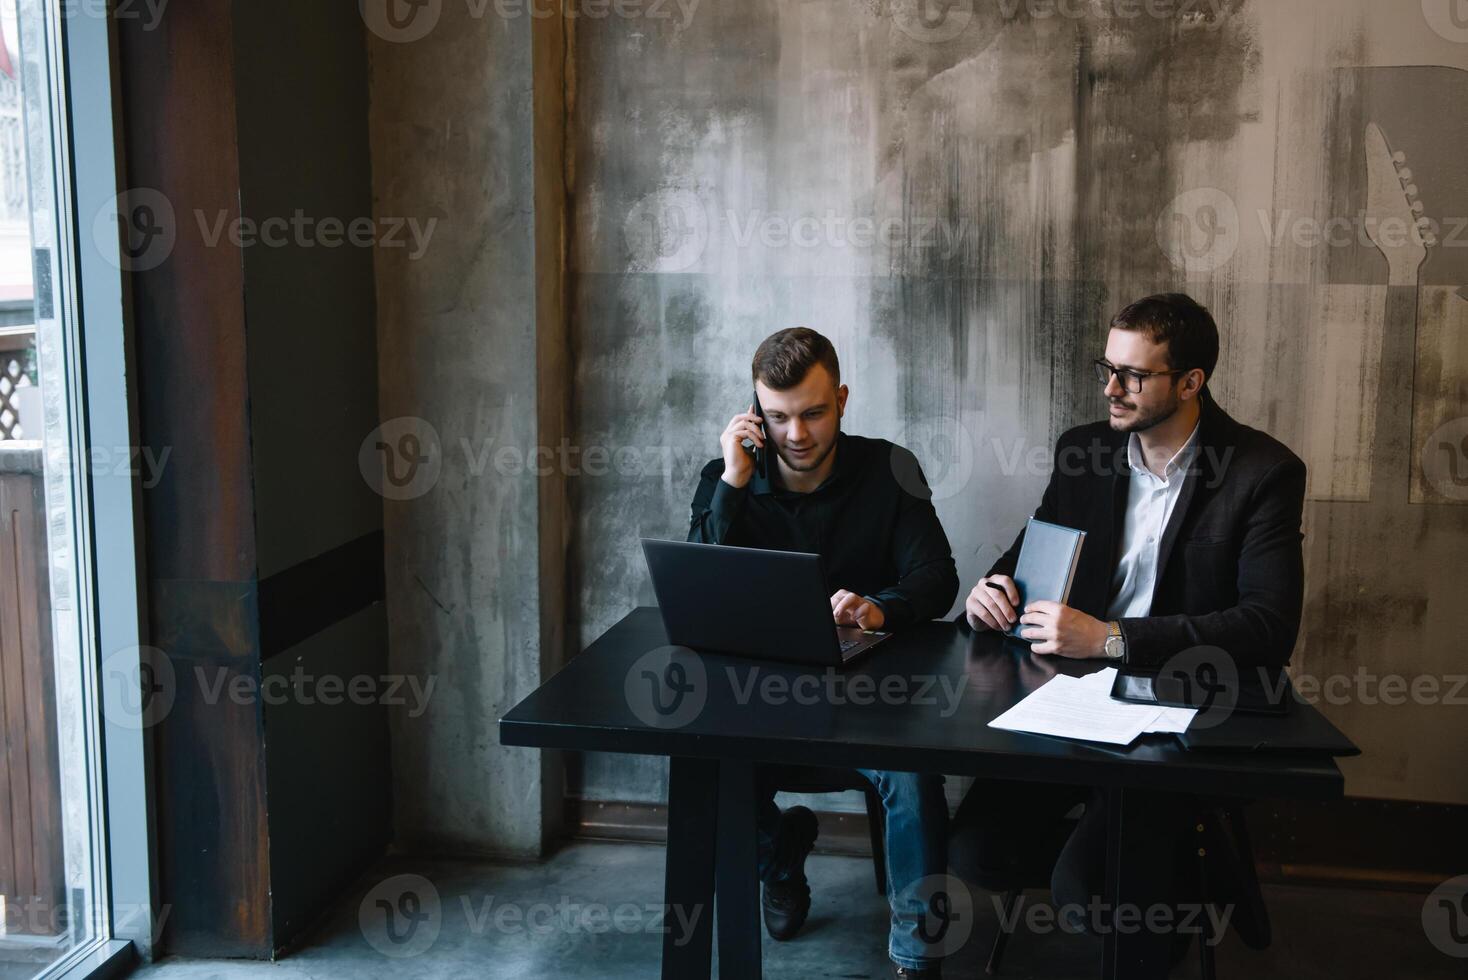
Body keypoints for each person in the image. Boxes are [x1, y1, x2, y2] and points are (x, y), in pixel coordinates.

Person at [951, 292, 1304, 945]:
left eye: (1133, 376)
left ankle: (1154, 891)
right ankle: (1151, 869)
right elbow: (1029, 552)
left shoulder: (1261, 473)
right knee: (974, 852)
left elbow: (1267, 625)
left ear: (1192, 382)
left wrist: (1111, 637)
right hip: (1065, 699)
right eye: (1107, 368)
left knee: (1087, 891)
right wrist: (991, 590)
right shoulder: (1086, 450)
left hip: (1179, 711)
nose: (1110, 388)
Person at [688, 327, 959, 980]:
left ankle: (918, 958)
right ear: (756, 413)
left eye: (813, 412)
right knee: (703, 767)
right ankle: (781, 856)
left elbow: (938, 580)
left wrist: (879, 607)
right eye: (777, 417)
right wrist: (732, 479)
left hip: (871, 697)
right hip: (761, 696)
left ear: (841, 399)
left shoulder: (889, 469)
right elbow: (696, 586)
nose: (797, 433)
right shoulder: (727, 478)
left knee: (913, 779)